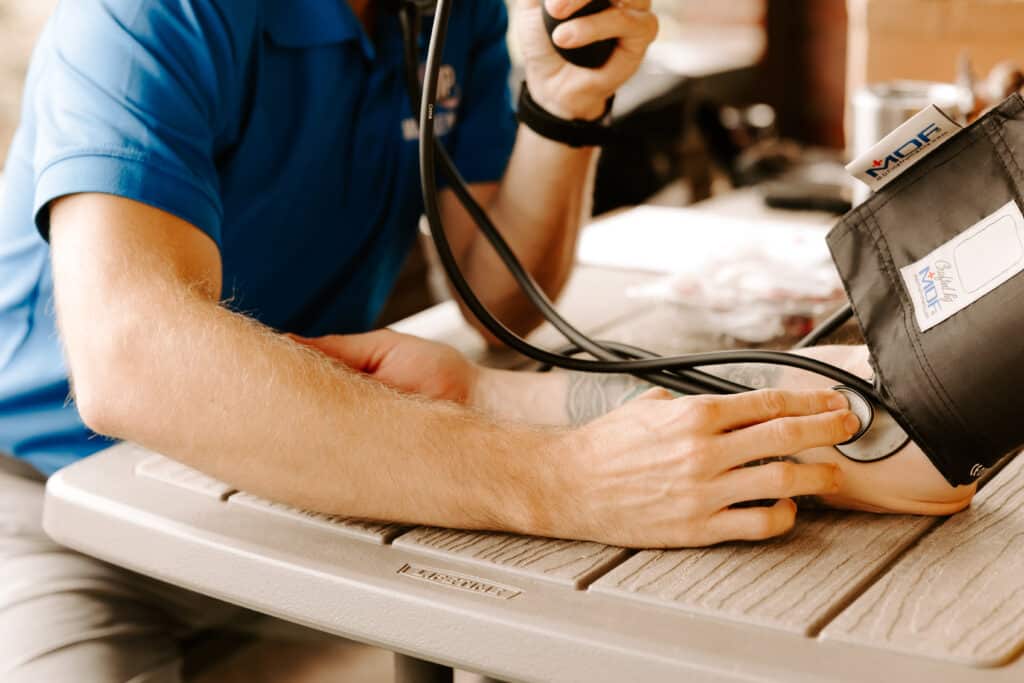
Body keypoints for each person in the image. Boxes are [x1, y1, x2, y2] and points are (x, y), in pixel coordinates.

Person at [0, 0, 974, 680]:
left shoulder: (442, 15)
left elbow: (503, 298)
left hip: (318, 475)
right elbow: (130, 359)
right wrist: (560, 481)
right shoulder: (150, 10)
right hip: (54, 500)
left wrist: (563, 102)